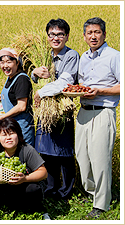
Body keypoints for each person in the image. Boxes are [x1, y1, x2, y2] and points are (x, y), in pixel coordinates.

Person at [75, 17, 120, 219]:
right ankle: (92, 193)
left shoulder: (115, 56)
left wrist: (100, 91)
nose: (93, 36)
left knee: (100, 159)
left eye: (97, 32)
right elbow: (79, 84)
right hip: (83, 111)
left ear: (104, 34)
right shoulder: (83, 58)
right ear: (84, 36)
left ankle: (102, 205)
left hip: (103, 112)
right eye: (89, 33)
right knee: (82, 157)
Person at [31, 19, 79, 200]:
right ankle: (50, 189)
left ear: (66, 36)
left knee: (64, 150)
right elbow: (32, 77)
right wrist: (35, 73)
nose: (55, 38)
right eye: (52, 34)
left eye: (60, 34)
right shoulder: (44, 54)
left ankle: (66, 191)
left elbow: (65, 82)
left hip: (61, 110)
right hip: (45, 110)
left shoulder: (71, 55)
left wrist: (41, 92)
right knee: (46, 150)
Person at [0, 117, 49, 217]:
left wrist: (25, 178)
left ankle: (38, 210)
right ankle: (6, 208)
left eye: (12, 133)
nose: (8, 138)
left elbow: (43, 172)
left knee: (33, 189)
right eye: (4, 135)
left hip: (23, 188)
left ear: (18, 134)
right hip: (6, 189)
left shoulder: (27, 150)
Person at [0, 47, 35, 146]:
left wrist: (2, 117)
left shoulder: (22, 79)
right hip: (11, 128)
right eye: (2, 62)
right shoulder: (11, 77)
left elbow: (21, 106)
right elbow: (14, 94)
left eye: (9, 62)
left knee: (23, 157)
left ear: (17, 63)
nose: (5, 66)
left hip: (22, 128)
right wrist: (2, 97)